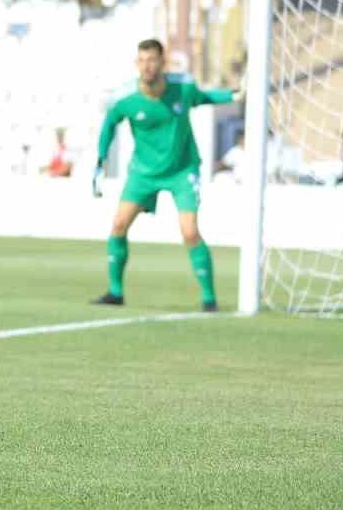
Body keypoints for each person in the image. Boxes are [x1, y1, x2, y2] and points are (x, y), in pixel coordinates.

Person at [91, 39, 238, 311]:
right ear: (136, 64)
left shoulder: (183, 88)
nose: (146, 66)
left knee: (190, 232)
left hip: (182, 169)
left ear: (162, 62)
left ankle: (209, 299)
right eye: (141, 60)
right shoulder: (126, 98)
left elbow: (204, 97)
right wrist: (100, 159)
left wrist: (233, 95)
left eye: (151, 60)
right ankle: (115, 292)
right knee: (119, 225)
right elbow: (109, 123)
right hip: (143, 173)